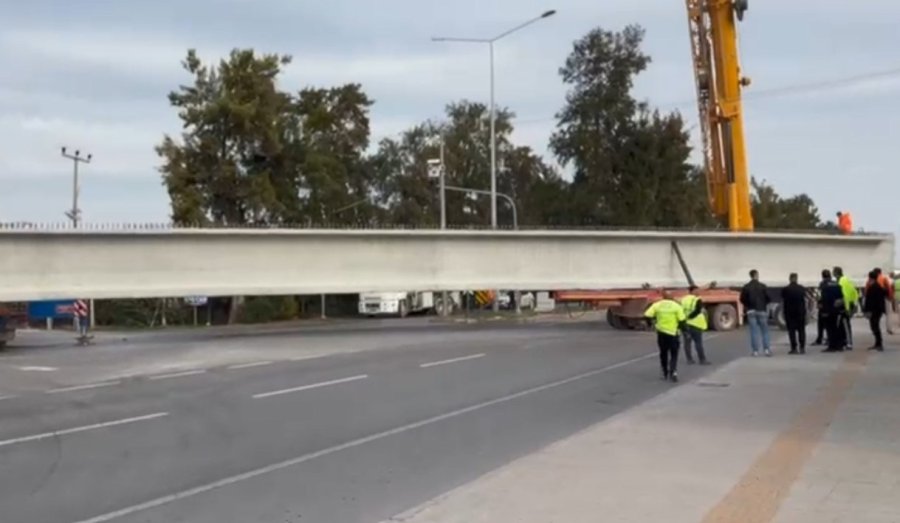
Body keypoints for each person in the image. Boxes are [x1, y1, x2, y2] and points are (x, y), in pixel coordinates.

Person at [644, 290, 687, 383]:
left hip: (661, 332)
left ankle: (664, 372)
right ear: (672, 297)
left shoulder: (657, 305)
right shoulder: (676, 306)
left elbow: (647, 315)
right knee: (674, 354)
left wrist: (651, 324)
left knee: (663, 353)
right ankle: (673, 372)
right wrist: (684, 331)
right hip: (673, 333)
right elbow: (682, 320)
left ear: (663, 296)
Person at [740, 269, 772, 356]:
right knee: (765, 331)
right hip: (761, 310)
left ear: (750, 276)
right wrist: (764, 304)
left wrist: (748, 305)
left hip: (751, 310)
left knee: (754, 332)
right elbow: (768, 298)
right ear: (756, 275)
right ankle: (766, 350)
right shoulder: (763, 286)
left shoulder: (746, 287)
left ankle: (755, 351)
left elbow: (742, 299)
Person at [680, 285, 710, 365]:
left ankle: (689, 359)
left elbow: (681, 310)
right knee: (698, 343)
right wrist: (690, 317)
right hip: (696, 324)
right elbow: (697, 311)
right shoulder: (697, 299)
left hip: (686, 324)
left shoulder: (683, 299)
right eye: (697, 290)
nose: (698, 292)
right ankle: (702, 359)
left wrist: (685, 319)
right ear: (692, 291)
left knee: (687, 343)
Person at [781, 273, 808, 354]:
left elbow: (783, 300)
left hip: (789, 312)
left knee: (791, 331)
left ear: (790, 279)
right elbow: (805, 299)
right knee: (801, 330)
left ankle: (794, 348)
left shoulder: (785, 289)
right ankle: (802, 347)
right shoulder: (802, 288)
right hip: (800, 312)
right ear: (797, 278)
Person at [833, 266, 859, 350]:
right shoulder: (845, 279)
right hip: (850, 303)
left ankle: (848, 342)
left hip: (846, 305)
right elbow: (854, 292)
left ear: (836, 273)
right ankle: (843, 341)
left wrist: (847, 309)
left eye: (833, 272)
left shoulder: (842, 281)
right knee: (841, 324)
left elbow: (845, 295)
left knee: (845, 324)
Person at [820, 273, 845, 352]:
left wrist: (824, 311)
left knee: (830, 329)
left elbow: (824, 299)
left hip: (829, 310)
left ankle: (832, 346)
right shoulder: (837, 284)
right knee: (836, 327)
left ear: (823, 277)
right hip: (836, 309)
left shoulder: (824, 285)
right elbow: (841, 296)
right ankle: (839, 345)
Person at [863, 270, 887, 351]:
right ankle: (877, 343)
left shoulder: (873, 287)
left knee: (875, 326)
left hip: (874, 310)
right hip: (877, 309)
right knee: (874, 326)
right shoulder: (878, 286)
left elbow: (870, 300)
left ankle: (879, 343)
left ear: (870, 277)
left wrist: (867, 310)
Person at [870, 268, 895, 335]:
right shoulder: (884, 278)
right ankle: (889, 328)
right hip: (885, 298)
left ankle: (876, 330)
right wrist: (890, 297)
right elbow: (889, 288)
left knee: (876, 316)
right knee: (888, 314)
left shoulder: (871, 279)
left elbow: (868, 289)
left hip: (876, 299)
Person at [812, 269, 833, 346]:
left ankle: (819, 339)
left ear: (822, 276)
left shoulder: (822, 284)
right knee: (830, 324)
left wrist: (819, 303)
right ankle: (829, 339)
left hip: (823, 307)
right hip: (832, 307)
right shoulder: (834, 283)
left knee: (821, 324)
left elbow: (819, 295)